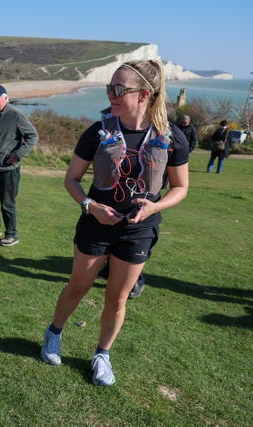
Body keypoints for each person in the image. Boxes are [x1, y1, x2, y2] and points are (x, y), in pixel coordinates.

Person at [40, 59, 189, 386]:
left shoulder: (171, 137)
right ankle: (54, 332)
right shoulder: (98, 131)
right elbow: (72, 180)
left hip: (138, 231)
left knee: (117, 298)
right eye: (110, 87)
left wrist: (153, 207)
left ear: (144, 95)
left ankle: (102, 355)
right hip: (96, 225)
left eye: (120, 89)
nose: (112, 94)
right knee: (78, 287)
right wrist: (91, 206)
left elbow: (180, 187)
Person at [0, 84, 38, 247]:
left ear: (6, 98)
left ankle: (12, 234)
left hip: (8, 170)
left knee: (7, 203)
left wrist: (18, 155)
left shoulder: (15, 115)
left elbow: (33, 136)